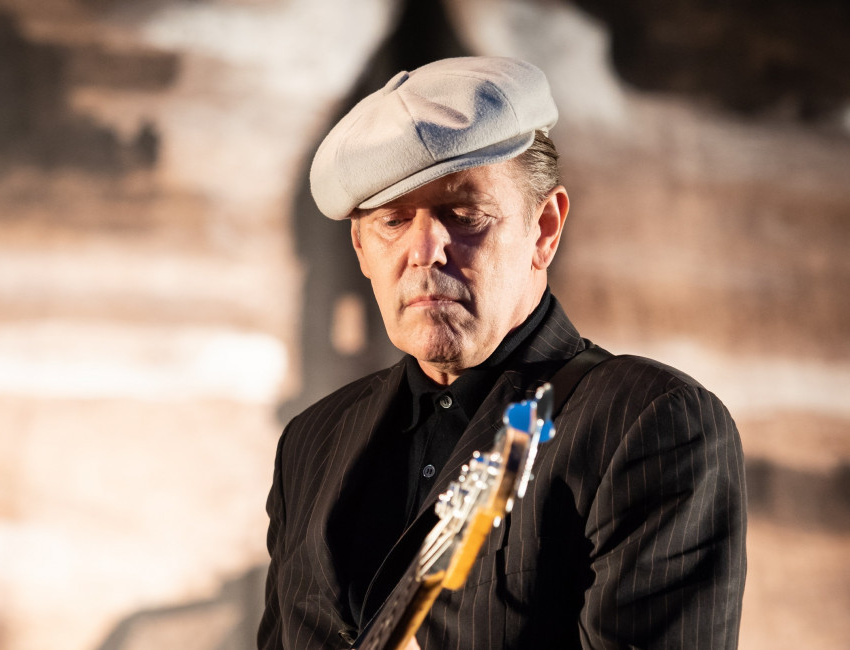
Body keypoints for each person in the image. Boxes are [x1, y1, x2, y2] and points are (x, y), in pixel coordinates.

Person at [258, 57, 746, 650]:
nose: (425, 250)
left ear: (545, 227)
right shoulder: (310, 440)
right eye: (393, 220)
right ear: (360, 247)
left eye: (465, 216)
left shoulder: (654, 422)